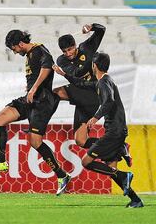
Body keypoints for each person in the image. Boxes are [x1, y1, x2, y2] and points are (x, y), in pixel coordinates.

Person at [0, 30, 71, 196]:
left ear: (20, 44)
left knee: (35, 142)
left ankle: (62, 175)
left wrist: (34, 88)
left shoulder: (39, 50)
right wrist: (30, 89)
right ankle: (1, 161)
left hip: (42, 103)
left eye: (14, 48)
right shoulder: (30, 55)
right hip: (30, 100)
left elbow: (47, 67)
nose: (15, 52)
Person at [59, 52, 143, 208]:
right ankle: (136, 199)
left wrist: (94, 118)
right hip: (115, 131)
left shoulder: (104, 83)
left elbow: (109, 101)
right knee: (111, 168)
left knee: (86, 161)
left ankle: (125, 175)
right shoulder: (103, 81)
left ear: (94, 66)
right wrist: (64, 74)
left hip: (114, 132)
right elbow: (81, 84)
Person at [52, 23, 132, 167]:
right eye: (64, 51)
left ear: (75, 45)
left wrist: (91, 27)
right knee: (80, 140)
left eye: (70, 49)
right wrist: (66, 73)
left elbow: (102, 30)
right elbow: (76, 73)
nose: (68, 54)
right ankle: (119, 147)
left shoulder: (86, 47)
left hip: (94, 93)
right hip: (81, 95)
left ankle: (39, 123)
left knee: (54, 93)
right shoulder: (61, 60)